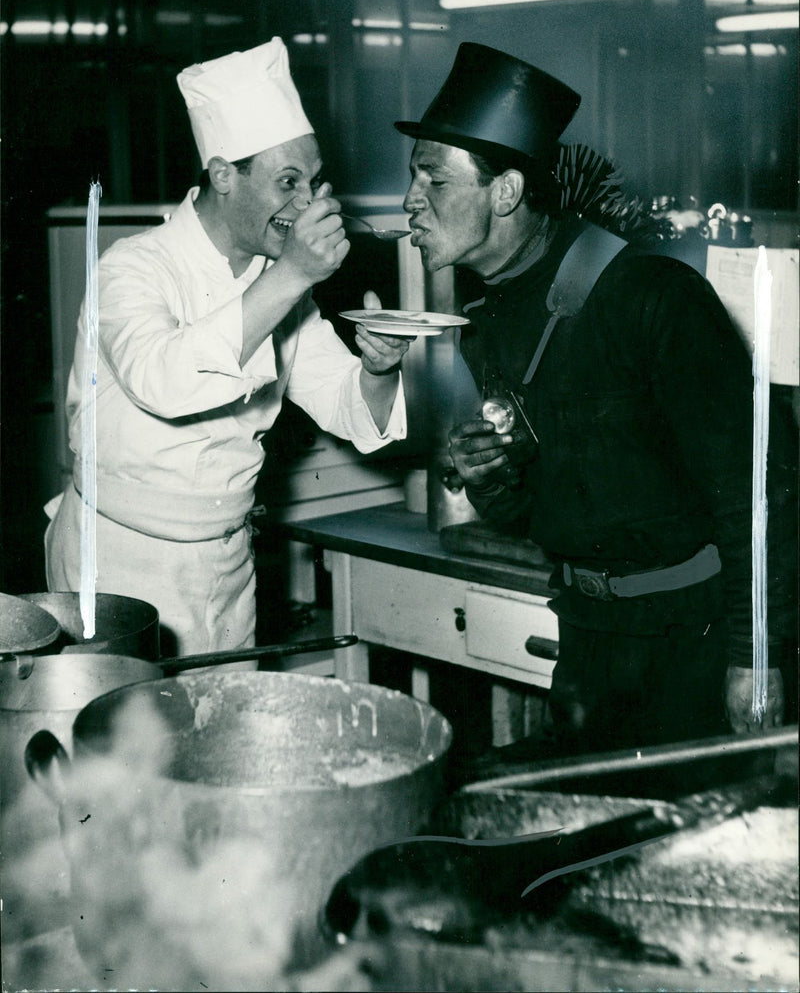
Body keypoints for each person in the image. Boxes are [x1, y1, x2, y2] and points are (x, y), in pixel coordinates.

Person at [395, 41, 797, 752]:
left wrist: (753, 654)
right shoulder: (485, 325)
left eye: (433, 181)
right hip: (587, 636)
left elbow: (761, 488)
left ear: (508, 191)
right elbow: (545, 506)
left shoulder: (648, 295)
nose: (410, 202)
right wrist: (495, 480)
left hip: (694, 643)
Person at [45, 37, 409, 657]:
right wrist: (292, 274)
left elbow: (347, 404)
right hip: (117, 566)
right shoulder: (132, 267)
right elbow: (164, 381)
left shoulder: (275, 285)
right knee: (127, 751)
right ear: (222, 175)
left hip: (227, 564)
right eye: (287, 181)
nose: (308, 203)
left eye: (314, 181)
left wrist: (377, 367)